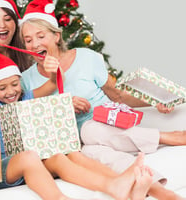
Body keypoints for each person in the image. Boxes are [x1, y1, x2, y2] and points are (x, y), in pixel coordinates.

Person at [0, 21, 156, 200]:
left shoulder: (26, 96)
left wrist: (52, 69)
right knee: (32, 156)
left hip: (35, 162)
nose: (10, 92)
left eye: (14, 84)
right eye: (2, 88)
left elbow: (52, 84)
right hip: (5, 166)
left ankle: (117, 183)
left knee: (62, 155)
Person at [19, 0, 186, 199]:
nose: (34, 44)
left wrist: (154, 101)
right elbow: (32, 124)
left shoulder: (87, 58)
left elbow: (117, 95)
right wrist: (62, 106)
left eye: (40, 36)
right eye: (28, 40)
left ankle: (167, 136)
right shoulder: (27, 80)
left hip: (107, 124)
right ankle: (162, 191)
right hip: (77, 144)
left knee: (90, 129)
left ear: (56, 36)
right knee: (95, 153)